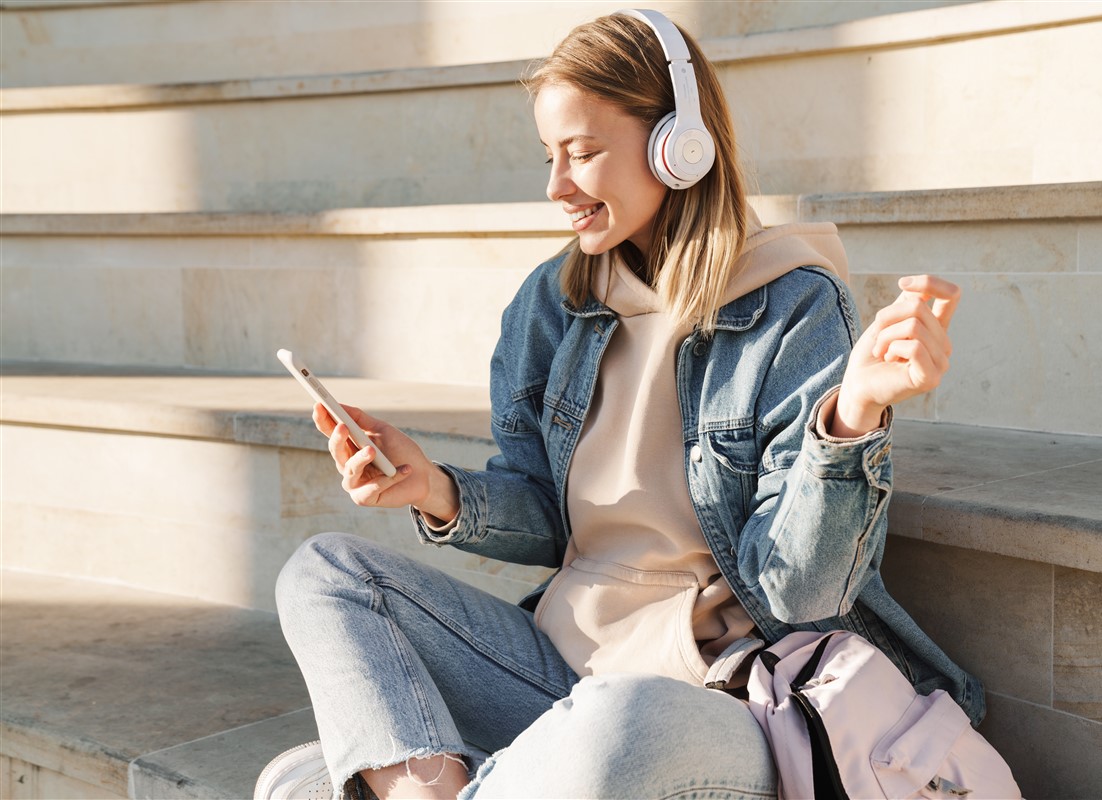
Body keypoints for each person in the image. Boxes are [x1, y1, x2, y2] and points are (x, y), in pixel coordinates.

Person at [259, 9, 979, 800]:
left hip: (712, 698)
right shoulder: (553, 303)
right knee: (323, 572)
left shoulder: (794, 305)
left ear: (680, 145)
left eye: (584, 152)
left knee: (319, 782)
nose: (556, 185)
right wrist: (433, 488)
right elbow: (546, 511)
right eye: (548, 155)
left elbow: (802, 597)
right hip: (555, 669)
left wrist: (852, 418)